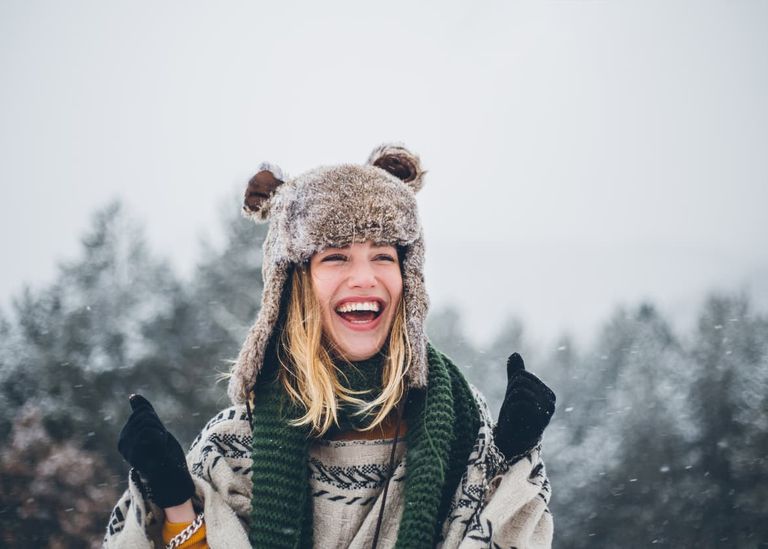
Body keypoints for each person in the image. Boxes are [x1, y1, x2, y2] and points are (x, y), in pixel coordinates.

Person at [103, 144, 556, 548]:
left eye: (383, 255)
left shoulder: (461, 424)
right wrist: (175, 501)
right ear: (294, 284)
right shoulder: (236, 445)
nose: (364, 277)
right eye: (336, 256)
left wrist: (509, 458)